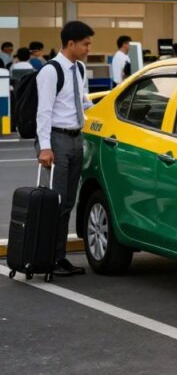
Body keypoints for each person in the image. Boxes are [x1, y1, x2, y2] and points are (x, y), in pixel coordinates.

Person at [36, 21, 95, 278]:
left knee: (69, 201)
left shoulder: (79, 69)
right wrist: (45, 148)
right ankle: (49, 257)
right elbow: (44, 112)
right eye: (85, 44)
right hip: (58, 140)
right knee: (57, 201)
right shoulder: (51, 71)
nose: (88, 48)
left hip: (76, 138)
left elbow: (84, 102)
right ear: (71, 43)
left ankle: (59, 257)